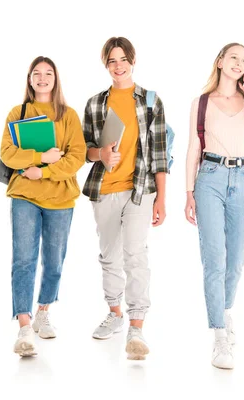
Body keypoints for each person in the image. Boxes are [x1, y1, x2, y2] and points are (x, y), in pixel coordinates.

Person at [184, 43, 244, 369]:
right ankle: (219, 335)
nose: (239, 63)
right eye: (233, 57)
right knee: (214, 259)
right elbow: (193, 147)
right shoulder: (202, 102)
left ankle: (225, 311)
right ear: (220, 62)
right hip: (209, 177)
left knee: (235, 259)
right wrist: (188, 192)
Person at [82, 37, 168, 360]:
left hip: (140, 189)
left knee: (135, 253)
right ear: (106, 65)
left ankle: (137, 324)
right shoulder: (94, 104)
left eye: (123, 60)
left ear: (133, 60)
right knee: (109, 256)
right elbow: (84, 151)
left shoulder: (150, 101)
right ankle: (115, 313)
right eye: (112, 61)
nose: (118, 66)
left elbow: (159, 154)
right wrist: (100, 153)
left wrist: (161, 198)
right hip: (104, 189)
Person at [0, 56, 86, 358]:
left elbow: (76, 157)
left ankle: (43, 310)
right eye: (36, 73)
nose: (42, 77)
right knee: (23, 259)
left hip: (61, 197)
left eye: (48, 73)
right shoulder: (17, 112)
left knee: (54, 260)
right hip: (24, 195)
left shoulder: (70, 116)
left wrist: (45, 171)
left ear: (56, 78)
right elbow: (7, 154)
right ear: (29, 79)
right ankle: (23, 324)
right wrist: (41, 158)